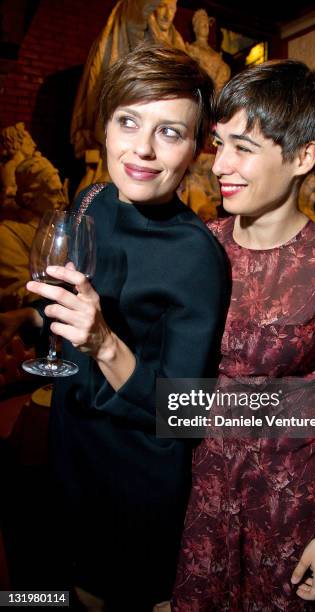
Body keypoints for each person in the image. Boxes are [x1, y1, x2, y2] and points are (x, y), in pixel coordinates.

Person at [5, 43, 228, 611]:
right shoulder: (94, 199)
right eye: (128, 121)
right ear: (104, 126)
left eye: (170, 132)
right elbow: (72, 302)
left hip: (132, 480)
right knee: (37, 595)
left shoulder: (196, 256)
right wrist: (31, 318)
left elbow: (185, 416)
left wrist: (104, 342)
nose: (143, 150)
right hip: (67, 451)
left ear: (197, 150)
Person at [172, 60, 315, 611]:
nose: (220, 165)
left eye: (244, 147)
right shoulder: (198, 246)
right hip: (202, 490)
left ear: (303, 156)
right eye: (218, 143)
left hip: (288, 503)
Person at [70, 0, 185, 190]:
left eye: (172, 9)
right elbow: (136, 17)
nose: (167, 14)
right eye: (162, 7)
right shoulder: (138, 25)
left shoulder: (175, 40)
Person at [0, 155, 67, 311]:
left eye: (61, 191)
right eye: (53, 193)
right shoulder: (6, 235)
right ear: (29, 199)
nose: (62, 199)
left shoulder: (59, 230)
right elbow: (20, 292)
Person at [186, 9, 230, 93]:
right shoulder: (191, 49)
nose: (205, 25)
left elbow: (225, 71)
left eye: (206, 22)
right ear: (195, 27)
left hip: (217, 93)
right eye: (202, 22)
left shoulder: (215, 53)